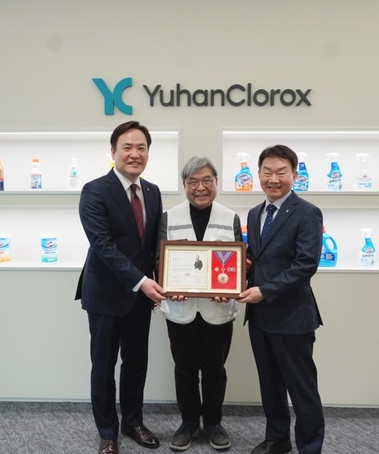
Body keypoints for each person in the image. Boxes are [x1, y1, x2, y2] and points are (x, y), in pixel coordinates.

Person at [75, 121, 165, 454]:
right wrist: (143, 282)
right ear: (113, 152)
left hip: (141, 297)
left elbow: (153, 246)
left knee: (136, 363)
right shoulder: (95, 191)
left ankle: (133, 422)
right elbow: (102, 245)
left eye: (141, 147)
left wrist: (166, 279)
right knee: (103, 367)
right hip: (105, 293)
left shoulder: (152, 192)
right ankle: (107, 432)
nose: (134, 154)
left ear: (148, 153)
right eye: (127, 147)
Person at [238, 145, 325, 454]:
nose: (273, 179)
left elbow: (306, 264)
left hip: (291, 315)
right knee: (270, 383)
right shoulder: (255, 213)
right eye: (267, 172)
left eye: (281, 172)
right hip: (259, 315)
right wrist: (244, 265)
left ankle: (310, 447)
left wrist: (265, 291)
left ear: (294, 175)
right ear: (259, 174)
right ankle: (278, 438)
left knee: (302, 388)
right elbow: (261, 258)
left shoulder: (307, 212)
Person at [157, 157, 242, 452]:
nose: (200, 187)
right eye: (193, 182)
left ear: (216, 182)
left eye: (207, 180)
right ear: (184, 185)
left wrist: (230, 289)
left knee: (215, 370)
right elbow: (159, 260)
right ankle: (189, 422)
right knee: (185, 369)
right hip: (180, 310)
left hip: (218, 311)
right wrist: (169, 287)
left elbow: (238, 264)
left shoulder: (230, 217)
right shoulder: (169, 217)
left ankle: (214, 422)